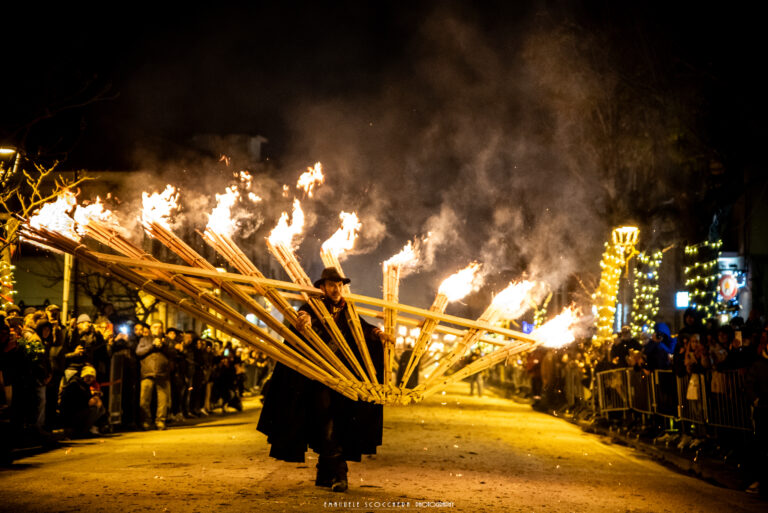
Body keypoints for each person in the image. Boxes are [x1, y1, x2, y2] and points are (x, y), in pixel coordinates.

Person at [257, 267, 393, 493]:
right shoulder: (313, 307)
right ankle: (340, 474)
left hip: (344, 376)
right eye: (331, 284)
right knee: (328, 421)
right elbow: (302, 315)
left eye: (339, 285)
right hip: (319, 379)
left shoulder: (347, 309)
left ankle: (324, 471)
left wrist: (378, 334)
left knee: (338, 422)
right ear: (322, 287)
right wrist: (304, 319)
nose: (336, 289)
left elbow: (362, 328)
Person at [136, 321, 174, 430]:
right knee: (144, 400)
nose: (157, 329)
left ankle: (160, 421)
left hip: (163, 374)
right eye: (155, 327)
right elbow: (139, 352)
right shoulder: (145, 340)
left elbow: (173, 353)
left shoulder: (167, 341)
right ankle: (146, 421)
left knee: (163, 401)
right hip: (147, 373)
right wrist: (152, 346)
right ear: (151, 329)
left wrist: (163, 346)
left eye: (159, 327)